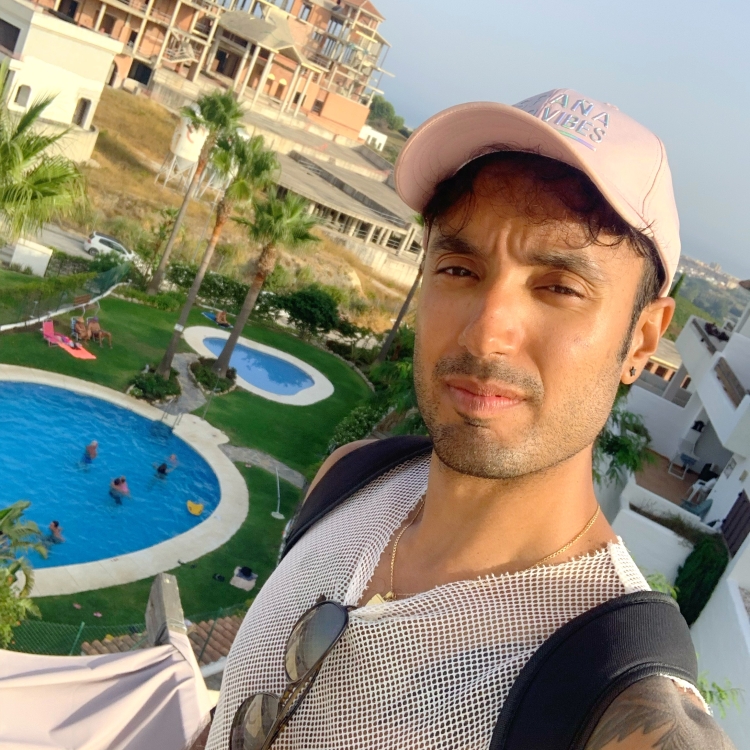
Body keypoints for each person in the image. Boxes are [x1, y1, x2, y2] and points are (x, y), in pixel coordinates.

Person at [195, 90, 734, 750]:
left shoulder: (612, 695)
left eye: (559, 287)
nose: (485, 334)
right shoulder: (350, 480)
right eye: (459, 268)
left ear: (643, 339)